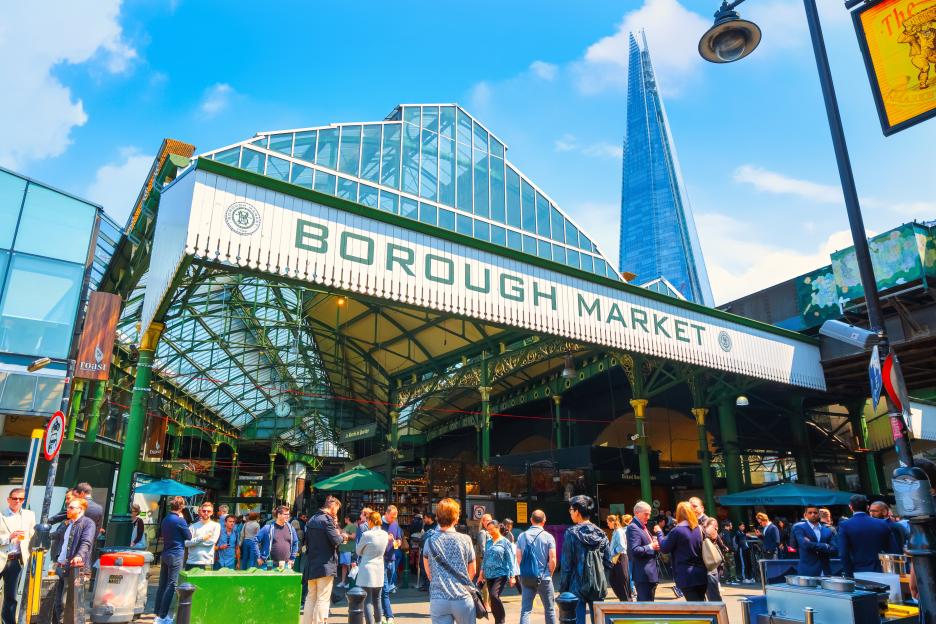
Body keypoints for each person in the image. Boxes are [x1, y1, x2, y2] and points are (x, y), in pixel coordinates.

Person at [422, 497, 477, 624]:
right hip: (462, 597)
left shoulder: (429, 541)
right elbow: (472, 570)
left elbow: (428, 572)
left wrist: (439, 582)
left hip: (438, 598)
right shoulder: (465, 539)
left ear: (437, 517)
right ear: (456, 517)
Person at [560, 495, 610, 624]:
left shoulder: (571, 533)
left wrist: (563, 589)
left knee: (578, 620)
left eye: (571, 510)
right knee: (599, 620)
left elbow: (566, 565)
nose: (570, 513)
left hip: (576, 586)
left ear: (577, 511)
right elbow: (608, 561)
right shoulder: (601, 533)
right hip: (597, 585)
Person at [302, 495, 347, 624]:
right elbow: (336, 540)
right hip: (325, 565)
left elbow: (306, 541)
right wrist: (343, 536)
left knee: (311, 597)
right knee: (323, 598)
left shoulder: (312, 519)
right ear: (332, 507)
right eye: (337, 509)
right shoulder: (327, 521)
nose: (337, 512)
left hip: (311, 564)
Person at [51, 497, 95, 624]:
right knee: (58, 602)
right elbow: (56, 536)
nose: (68, 510)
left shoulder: (88, 523)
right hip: (60, 566)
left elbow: (86, 542)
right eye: (68, 507)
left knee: (69, 603)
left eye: (71, 507)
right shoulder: (67, 523)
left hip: (75, 568)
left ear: (81, 509)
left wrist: (79, 555)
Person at [657, 501, 707, 601]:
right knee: (702, 604)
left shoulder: (677, 531)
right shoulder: (699, 529)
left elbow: (664, 548)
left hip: (686, 574)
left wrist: (659, 533)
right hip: (701, 573)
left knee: (695, 608)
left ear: (678, 514)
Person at [839, 493, 897, 576]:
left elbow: (844, 554)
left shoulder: (845, 525)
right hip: (882, 570)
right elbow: (893, 550)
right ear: (867, 507)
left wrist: (849, 575)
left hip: (859, 571)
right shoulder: (882, 523)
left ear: (851, 507)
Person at [1, 487, 35, 624]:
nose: (18, 501)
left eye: (21, 499)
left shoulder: (29, 515)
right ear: (8, 499)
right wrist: (8, 538)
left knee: (11, 596)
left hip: (16, 560)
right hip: (1, 557)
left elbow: (32, 536)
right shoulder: (1, 514)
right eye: (15, 498)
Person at [517, 509, 557, 624]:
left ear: (531, 520)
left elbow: (518, 558)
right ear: (544, 521)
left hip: (527, 578)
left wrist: (526, 571)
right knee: (549, 609)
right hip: (544, 577)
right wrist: (550, 573)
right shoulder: (548, 537)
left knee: (525, 610)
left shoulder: (522, 536)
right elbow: (553, 559)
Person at [154, 497, 189, 624]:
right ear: (181, 507)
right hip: (176, 553)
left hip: (166, 553)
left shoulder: (165, 519)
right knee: (172, 584)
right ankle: (163, 616)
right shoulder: (180, 521)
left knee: (162, 584)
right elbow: (188, 536)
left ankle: (157, 613)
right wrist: (182, 519)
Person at [480, 520, 517, 624]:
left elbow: (511, 560)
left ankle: (501, 619)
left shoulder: (505, 542)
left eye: (492, 529)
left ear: (498, 528)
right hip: (489, 575)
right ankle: (498, 621)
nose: (490, 532)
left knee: (494, 595)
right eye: (488, 530)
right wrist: (480, 574)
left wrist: (512, 576)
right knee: (493, 598)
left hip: (501, 574)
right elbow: (485, 558)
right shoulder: (488, 542)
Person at [356, 510, 390, 624]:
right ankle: (378, 621)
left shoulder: (367, 534)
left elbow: (358, 550)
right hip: (379, 567)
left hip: (367, 568)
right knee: (377, 599)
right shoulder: (385, 534)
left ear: (370, 521)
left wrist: (366, 552)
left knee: (367, 600)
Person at [627, 500, 661, 601]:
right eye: (646, 514)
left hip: (649, 574)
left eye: (649, 514)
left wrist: (653, 544)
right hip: (643, 575)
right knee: (646, 607)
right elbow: (635, 550)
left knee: (647, 606)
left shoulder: (641, 526)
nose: (648, 517)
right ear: (637, 513)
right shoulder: (633, 527)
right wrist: (651, 546)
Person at [791, 505, 835, 577]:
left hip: (826, 571)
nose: (813, 514)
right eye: (810, 513)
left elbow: (835, 548)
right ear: (806, 515)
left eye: (815, 512)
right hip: (807, 571)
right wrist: (825, 546)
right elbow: (804, 544)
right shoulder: (799, 528)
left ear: (819, 514)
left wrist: (811, 544)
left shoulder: (827, 530)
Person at [258, 505, 299, 569]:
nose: (288, 516)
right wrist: (259, 556)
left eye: (288, 514)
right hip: (269, 564)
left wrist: (292, 559)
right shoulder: (268, 528)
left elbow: (295, 543)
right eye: (285, 514)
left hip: (285, 565)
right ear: (279, 515)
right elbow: (255, 540)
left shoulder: (291, 528)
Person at [382, 505, 403, 623]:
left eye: (395, 517)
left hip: (392, 557)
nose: (393, 519)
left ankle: (381, 611)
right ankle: (389, 615)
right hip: (383, 558)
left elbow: (399, 538)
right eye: (391, 517)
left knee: (388, 587)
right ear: (386, 513)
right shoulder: (379, 523)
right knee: (385, 588)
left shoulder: (395, 524)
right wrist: (386, 539)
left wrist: (398, 542)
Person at [185, 502, 220, 570]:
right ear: (201, 512)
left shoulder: (216, 526)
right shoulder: (193, 526)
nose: (206, 513)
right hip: (192, 561)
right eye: (204, 511)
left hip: (207, 562)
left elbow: (212, 542)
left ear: (212, 512)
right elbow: (186, 543)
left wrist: (194, 542)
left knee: (207, 581)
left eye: (208, 511)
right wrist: (202, 538)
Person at [606, 514, 631, 601]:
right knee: (613, 579)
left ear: (613, 522)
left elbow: (622, 546)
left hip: (620, 558)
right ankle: (624, 599)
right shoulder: (615, 532)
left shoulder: (619, 532)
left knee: (621, 580)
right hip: (617, 558)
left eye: (608, 522)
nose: (608, 524)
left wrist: (611, 553)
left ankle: (626, 599)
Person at [701, 517, 723, 600]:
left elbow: (720, 544)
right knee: (713, 595)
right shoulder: (705, 533)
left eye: (716, 525)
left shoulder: (714, 534)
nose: (716, 527)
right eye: (714, 525)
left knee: (714, 595)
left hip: (714, 566)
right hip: (709, 566)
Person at [338, 515, 357, 587]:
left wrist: (345, 534)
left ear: (348, 518)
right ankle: (343, 582)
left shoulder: (352, 526)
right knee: (344, 565)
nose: (344, 519)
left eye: (345, 518)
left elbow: (353, 536)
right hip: (344, 548)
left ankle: (351, 582)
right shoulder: (347, 526)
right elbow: (342, 532)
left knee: (349, 565)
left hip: (348, 549)